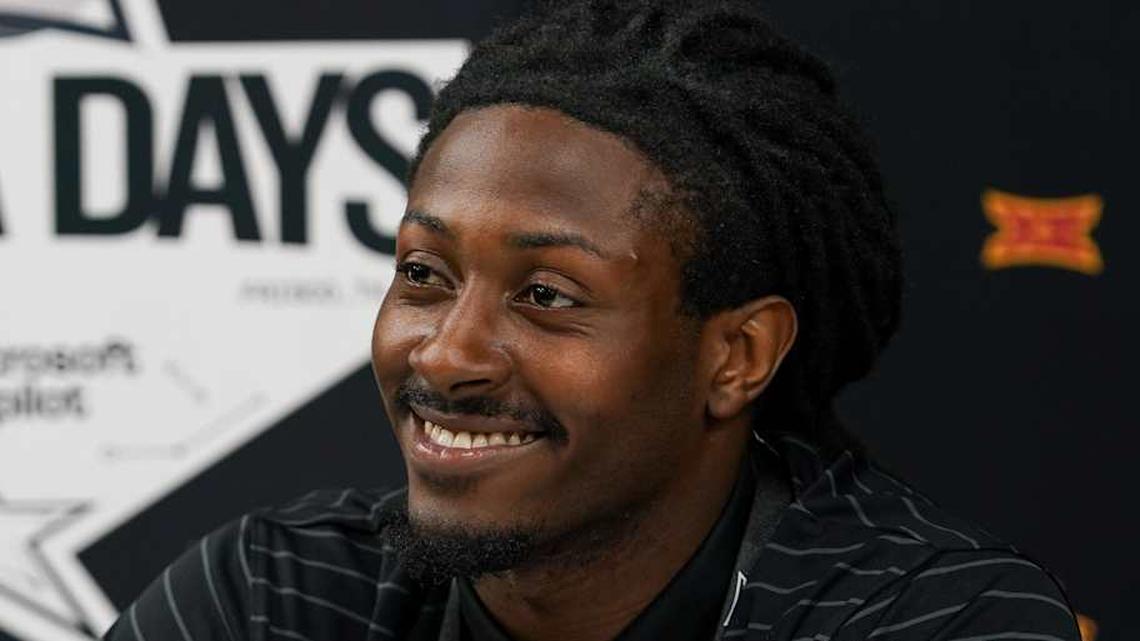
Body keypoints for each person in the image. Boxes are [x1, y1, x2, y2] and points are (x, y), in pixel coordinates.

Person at [104, 1, 1080, 639]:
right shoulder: (270, 601)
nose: (447, 351)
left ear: (736, 355)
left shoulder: (936, 619)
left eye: (546, 295)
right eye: (425, 272)